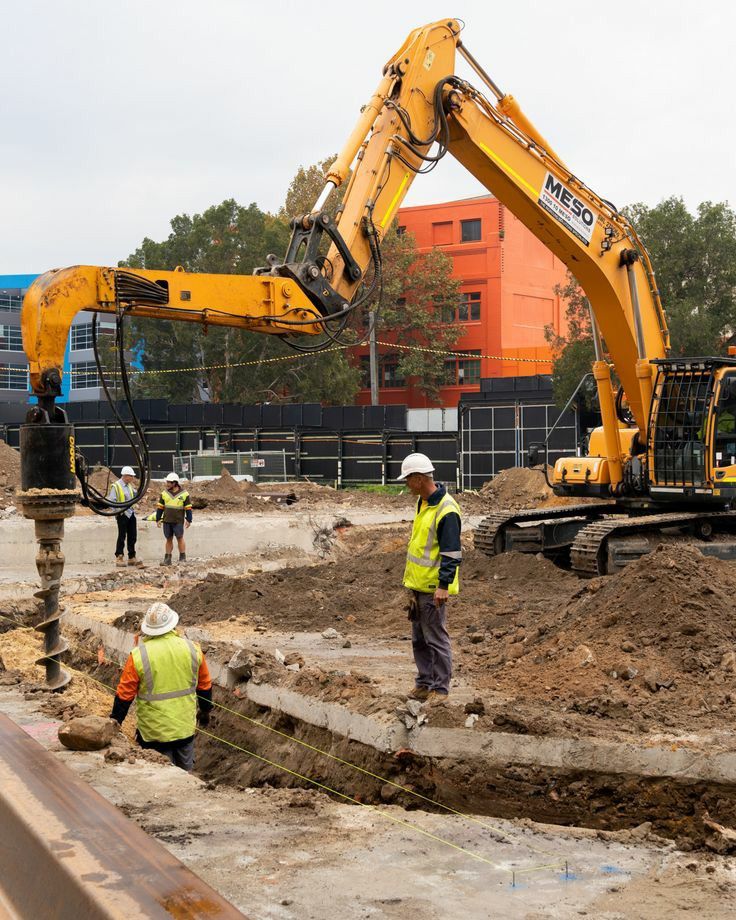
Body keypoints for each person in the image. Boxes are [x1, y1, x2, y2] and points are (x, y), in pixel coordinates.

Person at [110, 602, 213, 771]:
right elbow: (204, 685)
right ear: (173, 624)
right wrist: (205, 710)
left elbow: (124, 695)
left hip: (153, 734)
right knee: (185, 777)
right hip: (184, 730)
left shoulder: (139, 655)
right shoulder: (193, 649)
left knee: (158, 776)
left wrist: (115, 722)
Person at [398, 452, 462, 703]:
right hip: (418, 585)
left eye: (408, 479)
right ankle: (425, 683)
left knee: (436, 639)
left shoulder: (447, 509)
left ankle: (440, 689)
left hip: (433, 587)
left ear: (419, 479)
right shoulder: (423, 503)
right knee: (420, 640)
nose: (406, 484)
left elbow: (451, 553)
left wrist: (443, 585)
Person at [108, 466, 142, 567]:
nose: (132, 478)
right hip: (122, 514)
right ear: (126, 476)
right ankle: (119, 556)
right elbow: (111, 501)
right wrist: (118, 512)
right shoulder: (116, 486)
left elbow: (135, 495)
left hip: (131, 514)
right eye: (131, 476)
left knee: (132, 536)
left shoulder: (129, 486)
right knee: (122, 536)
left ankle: (132, 557)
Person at [156, 472, 193, 566]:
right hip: (167, 521)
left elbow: (188, 508)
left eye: (169, 482)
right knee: (168, 539)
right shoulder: (164, 493)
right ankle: (167, 559)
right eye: (167, 482)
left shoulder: (184, 494)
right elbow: (160, 507)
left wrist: (189, 519)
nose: (167, 484)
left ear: (175, 483)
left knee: (180, 538)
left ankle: (182, 558)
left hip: (178, 521)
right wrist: (158, 519)